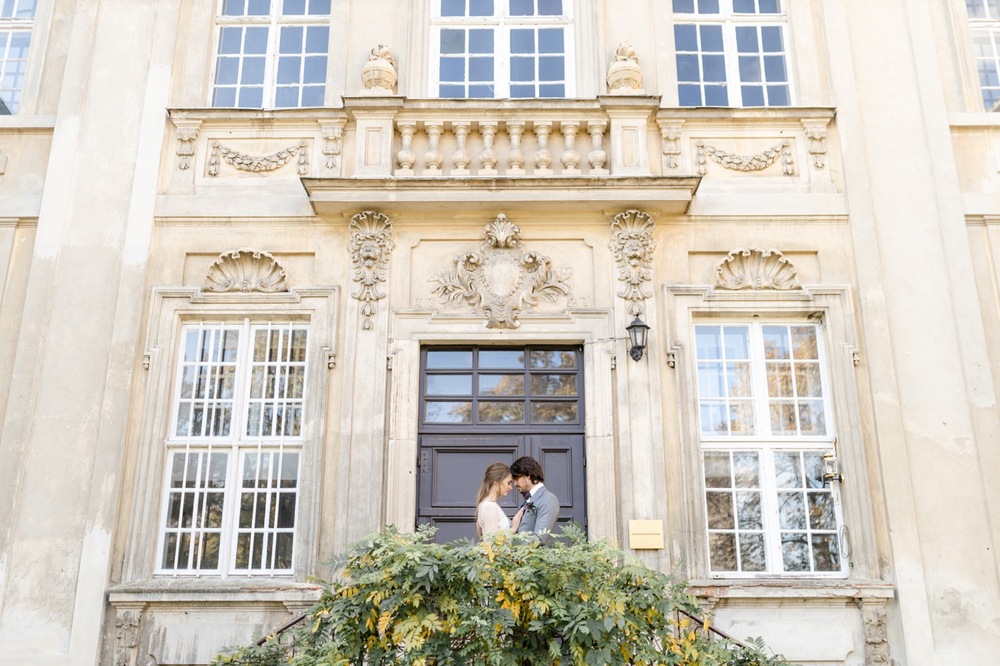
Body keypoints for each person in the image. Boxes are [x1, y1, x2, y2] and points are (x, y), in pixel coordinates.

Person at [510, 456, 559, 542]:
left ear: (528, 475)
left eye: (517, 479)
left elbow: (540, 538)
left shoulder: (548, 499)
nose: (515, 483)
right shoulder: (529, 498)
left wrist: (514, 540)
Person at [475, 462, 519, 537]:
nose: (511, 487)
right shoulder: (490, 506)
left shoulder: (487, 504)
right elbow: (492, 542)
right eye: (508, 483)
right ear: (497, 482)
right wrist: (513, 529)